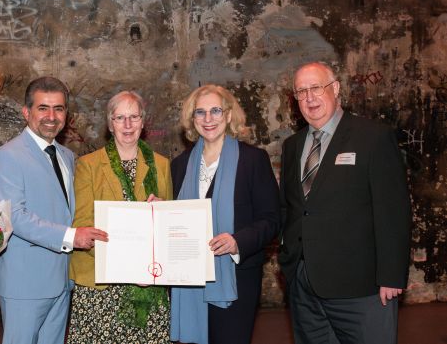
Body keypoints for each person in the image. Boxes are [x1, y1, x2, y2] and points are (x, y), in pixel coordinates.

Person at [279, 62, 411, 344]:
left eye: (316, 88)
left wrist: (392, 275)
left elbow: (393, 212)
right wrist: (290, 266)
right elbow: (293, 209)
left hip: (361, 286)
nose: (310, 98)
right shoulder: (292, 146)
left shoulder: (373, 137)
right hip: (304, 285)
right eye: (301, 92)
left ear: (336, 89)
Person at [0, 76, 108, 344]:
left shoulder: (66, 155)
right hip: (25, 283)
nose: (51, 116)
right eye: (43, 108)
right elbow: (14, 216)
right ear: (26, 112)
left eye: (59, 108)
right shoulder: (7, 156)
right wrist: (71, 236)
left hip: (61, 280)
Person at [170, 84, 280, 344]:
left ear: (229, 115)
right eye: (200, 112)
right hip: (189, 278)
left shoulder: (253, 160)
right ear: (192, 119)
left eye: (215, 111)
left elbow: (271, 219)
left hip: (236, 279)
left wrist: (237, 241)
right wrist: (158, 209)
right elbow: (173, 219)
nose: (208, 119)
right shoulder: (179, 165)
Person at [68, 91, 173, 343]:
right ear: (110, 124)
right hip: (100, 282)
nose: (127, 125)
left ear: (143, 122)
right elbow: (82, 225)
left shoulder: (161, 164)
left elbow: (168, 227)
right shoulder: (88, 165)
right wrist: (126, 266)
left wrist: (162, 213)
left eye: (134, 117)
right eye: (120, 117)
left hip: (147, 282)